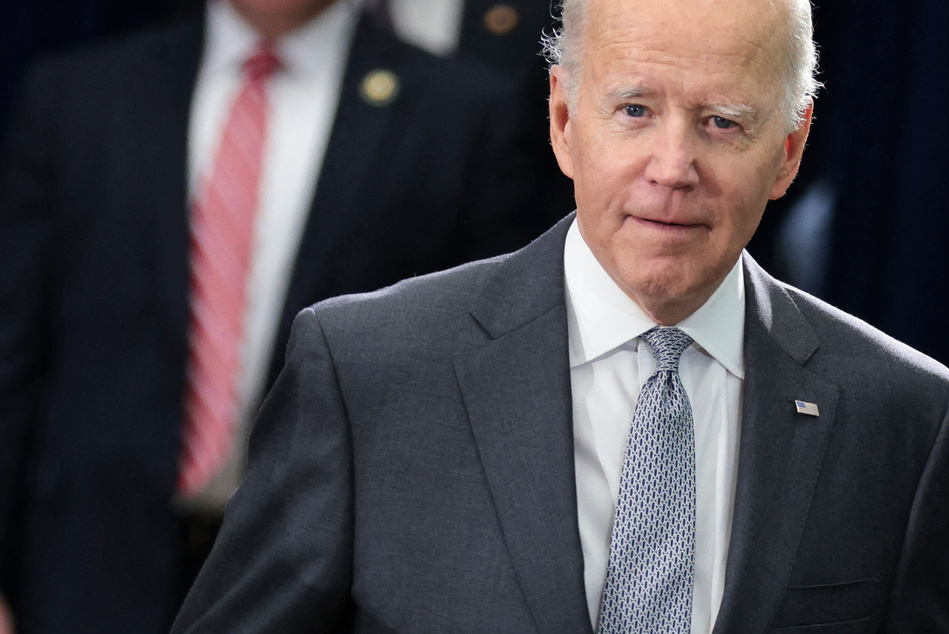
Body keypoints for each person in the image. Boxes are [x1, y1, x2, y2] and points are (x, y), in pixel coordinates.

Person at [172, 0, 949, 630]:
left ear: (788, 149)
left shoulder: (907, 415)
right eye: (635, 109)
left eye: (721, 121)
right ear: (563, 121)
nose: (672, 168)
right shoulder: (365, 369)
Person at [0, 0, 548, 631]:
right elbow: (13, 352)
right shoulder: (81, 94)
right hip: (85, 567)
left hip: (324, 584)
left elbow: (483, 381)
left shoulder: (462, 113)